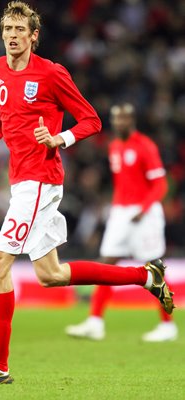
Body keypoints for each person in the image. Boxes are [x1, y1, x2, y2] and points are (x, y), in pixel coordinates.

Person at [0, 2, 174, 385]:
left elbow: (92, 119)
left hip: (41, 179)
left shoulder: (51, 73)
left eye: (19, 29)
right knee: (51, 275)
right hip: (20, 180)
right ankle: (146, 276)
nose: (11, 35)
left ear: (33, 36)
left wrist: (60, 137)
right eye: (7, 28)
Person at [66, 103, 178, 342]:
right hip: (120, 212)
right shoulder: (114, 146)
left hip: (144, 213)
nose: (120, 123)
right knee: (107, 263)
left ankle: (168, 325)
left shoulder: (145, 146)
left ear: (132, 120)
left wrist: (143, 208)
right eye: (116, 119)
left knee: (154, 268)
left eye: (124, 118)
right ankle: (95, 321)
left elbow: (161, 185)